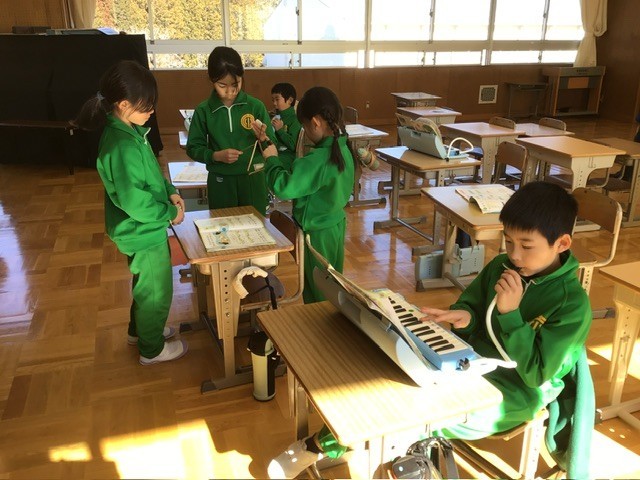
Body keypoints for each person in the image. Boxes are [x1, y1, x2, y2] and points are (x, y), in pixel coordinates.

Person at [267, 181, 592, 479]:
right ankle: (348, 443)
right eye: (508, 241)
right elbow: (473, 306)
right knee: (390, 379)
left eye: (527, 245)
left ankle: (322, 446)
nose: (514, 254)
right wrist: (464, 316)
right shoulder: (502, 266)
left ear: (562, 243)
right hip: (469, 363)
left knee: (412, 410)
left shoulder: (572, 304)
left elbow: (536, 375)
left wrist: (511, 316)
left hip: (514, 393)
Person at [74, 60, 188, 365]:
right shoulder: (122, 146)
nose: (152, 111)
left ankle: (140, 333)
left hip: (143, 227)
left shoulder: (130, 132)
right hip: (142, 231)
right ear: (123, 104)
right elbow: (135, 202)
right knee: (156, 291)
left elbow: (151, 175)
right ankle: (151, 350)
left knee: (146, 284)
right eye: (146, 105)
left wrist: (170, 190)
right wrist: (169, 213)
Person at [260, 86, 355, 305]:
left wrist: (272, 159)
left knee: (320, 293)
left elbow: (283, 187)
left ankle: (319, 326)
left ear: (315, 122)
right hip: (334, 226)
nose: (305, 132)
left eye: (304, 126)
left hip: (317, 233)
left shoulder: (319, 159)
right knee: (331, 286)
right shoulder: (342, 147)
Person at [186, 46, 276, 215]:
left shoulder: (255, 106)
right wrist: (215, 156)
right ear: (211, 79)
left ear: (242, 77)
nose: (230, 91)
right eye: (222, 85)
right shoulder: (204, 110)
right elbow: (193, 148)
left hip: (253, 179)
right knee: (223, 226)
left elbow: (272, 145)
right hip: (221, 182)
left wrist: (263, 139)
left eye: (236, 84)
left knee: (256, 226)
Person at [270, 82, 302, 170]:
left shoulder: (294, 120)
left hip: (287, 157)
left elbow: (293, 146)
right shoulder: (273, 117)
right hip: (273, 153)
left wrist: (280, 130)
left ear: (290, 100)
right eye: (273, 100)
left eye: (277, 99)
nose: (274, 103)